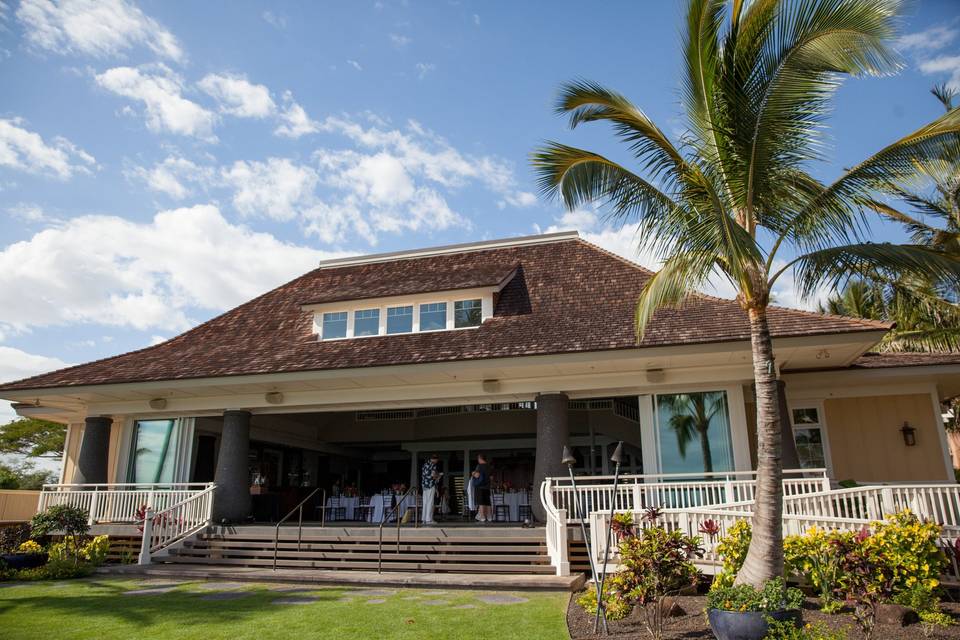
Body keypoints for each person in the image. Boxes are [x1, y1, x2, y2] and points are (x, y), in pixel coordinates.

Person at [420, 454, 441, 525]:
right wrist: (439, 475)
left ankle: (424, 519)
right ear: (435, 459)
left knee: (425, 502)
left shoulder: (425, 465)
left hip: (424, 486)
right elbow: (433, 476)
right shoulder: (433, 465)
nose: (437, 462)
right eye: (437, 460)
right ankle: (429, 519)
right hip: (430, 485)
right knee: (430, 502)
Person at [473, 454, 492, 523]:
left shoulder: (479, 466)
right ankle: (489, 517)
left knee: (481, 502)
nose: (477, 460)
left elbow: (477, 475)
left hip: (480, 486)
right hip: (487, 487)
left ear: (480, 458)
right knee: (487, 503)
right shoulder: (489, 466)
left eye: (478, 458)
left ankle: (482, 517)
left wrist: (473, 473)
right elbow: (491, 478)